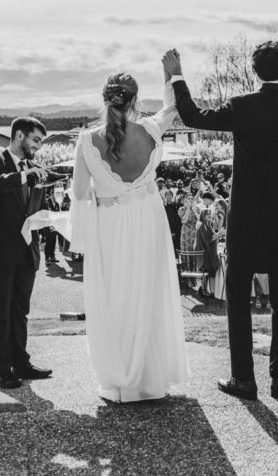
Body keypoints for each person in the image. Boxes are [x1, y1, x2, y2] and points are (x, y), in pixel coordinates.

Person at [165, 26, 278, 401]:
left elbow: (192, 114)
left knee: (239, 299)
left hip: (246, 219)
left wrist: (177, 73)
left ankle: (244, 379)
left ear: (254, 70)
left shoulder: (241, 106)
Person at [68, 67, 188, 403]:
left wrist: (105, 186)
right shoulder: (151, 130)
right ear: (135, 100)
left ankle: (122, 381)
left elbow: (78, 194)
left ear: (104, 99)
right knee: (148, 292)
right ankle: (151, 380)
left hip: (110, 222)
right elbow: (173, 107)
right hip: (148, 218)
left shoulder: (87, 140)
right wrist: (171, 74)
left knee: (115, 295)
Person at [0, 117, 57, 390]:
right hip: (0, 250)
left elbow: (36, 207)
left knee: (20, 311)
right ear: (19, 136)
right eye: (36, 140)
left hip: (26, 251)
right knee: (0, 312)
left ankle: (21, 363)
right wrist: (23, 176)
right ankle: (1, 370)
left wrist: (50, 217)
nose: (38, 147)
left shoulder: (34, 169)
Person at [164, 189, 182, 256]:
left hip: (176, 228)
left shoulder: (175, 205)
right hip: (167, 228)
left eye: (170, 194)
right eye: (167, 195)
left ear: (172, 196)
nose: (169, 196)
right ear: (165, 196)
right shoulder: (163, 206)